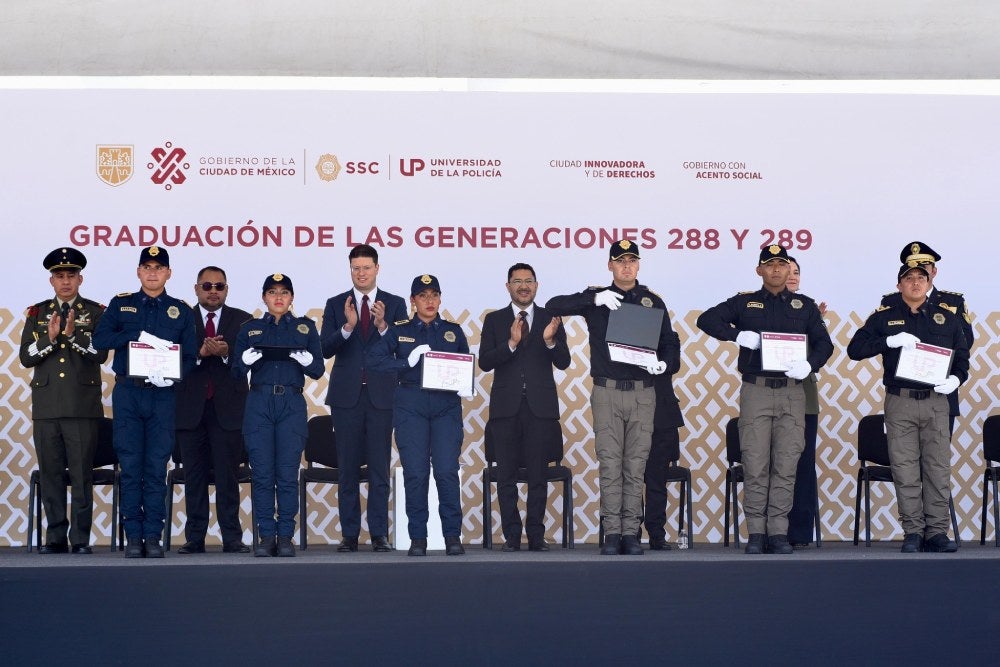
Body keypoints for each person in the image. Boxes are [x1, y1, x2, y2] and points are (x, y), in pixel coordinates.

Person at [696, 245, 833, 555]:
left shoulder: (804, 306)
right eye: (769, 265)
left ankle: (778, 533)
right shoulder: (745, 303)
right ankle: (756, 532)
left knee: (786, 465)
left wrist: (810, 364)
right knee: (756, 463)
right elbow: (706, 319)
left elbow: (825, 344)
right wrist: (736, 335)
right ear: (759, 270)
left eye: (781, 265)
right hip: (756, 391)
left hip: (792, 392)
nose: (775, 270)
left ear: (789, 270)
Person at [546, 240, 679, 556]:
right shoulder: (597, 299)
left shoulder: (652, 301)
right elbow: (553, 305)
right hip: (606, 391)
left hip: (643, 392)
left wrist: (663, 364)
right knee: (610, 463)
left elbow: (670, 345)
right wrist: (594, 297)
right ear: (610, 265)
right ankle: (612, 532)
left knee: (635, 465)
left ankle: (631, 533)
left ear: (639, 265)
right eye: (620, 261)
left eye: (632, 260)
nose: (627, 266)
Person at [848, 263, 968, 553]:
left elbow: (962, 357)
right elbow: (855, 349)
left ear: (929, 284)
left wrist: (956, 378)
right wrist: (888, 341)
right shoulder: (884, 317)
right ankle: (913, 531)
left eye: (921, 278)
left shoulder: (948, 319)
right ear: (899, 285)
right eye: (909, 278)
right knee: (905, 469)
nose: (915, 283)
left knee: (937, 468)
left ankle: (937, 532)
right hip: (900, 401)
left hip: (936, 402)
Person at [93, 246, 197, 558]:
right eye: (147, 267)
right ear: (138, 272)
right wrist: (132, 336)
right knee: (130, 465)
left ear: (169, 273)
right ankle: (133, 537)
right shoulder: (120, 304)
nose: (152, 273)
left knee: (155, 467)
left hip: (162, 395)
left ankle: (153, 536)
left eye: (159, 267)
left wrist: (173, 375)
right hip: (128, 393)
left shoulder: (181, 310)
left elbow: (190, 357)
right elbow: (99, 340)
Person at [367, 274, 471, 557]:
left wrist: (466, 385)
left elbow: (465, 363)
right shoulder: (399, 330)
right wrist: (405, 361)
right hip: (410, 404)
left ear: (440, 298)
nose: (429, 301)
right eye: (423, 296)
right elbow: (373, 360)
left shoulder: (453, 331)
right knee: (415, 473)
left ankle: (452, 536)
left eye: (434, 295)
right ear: (412, 301)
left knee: (447, 471)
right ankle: (418, 539)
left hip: (446, 406)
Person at [18, 248, 108, 554]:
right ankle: (55, 537)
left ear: (80, 278)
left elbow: (100, 353)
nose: (65, 281)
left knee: (82, 476)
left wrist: (71, 336)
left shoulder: (96, 312)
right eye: (60, 276)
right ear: (51, 280)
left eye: (71, 275)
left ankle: (80, 539)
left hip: (82, 406)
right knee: (51, 474)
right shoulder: (37, 312)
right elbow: (26, 357)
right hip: (46, 408)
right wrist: (51, 338)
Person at [320, 245, 407, 553]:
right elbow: (324, 349)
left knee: (380, 469)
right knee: (347, 469)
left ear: (377, 268)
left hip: (382, 396)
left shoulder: (395, 304)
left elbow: (404, 350)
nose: (361, 273)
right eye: (355, 268)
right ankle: (350, 535)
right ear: (350, 270)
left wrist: (383, 327)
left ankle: (380, 534)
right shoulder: (335, 304)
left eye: (366, 267)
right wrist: (348, 327)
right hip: (346, 398)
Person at [479, 263, 570, 552]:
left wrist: (551, 340)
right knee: (505, 477)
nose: (523, 286)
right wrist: (511, 343)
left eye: (528, 281)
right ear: (507, 286)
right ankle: (512, 536)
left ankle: (536, 535)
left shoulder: (549, 318)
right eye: (517, 281)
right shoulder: (494, 320)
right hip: (505, 409)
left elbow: (564, 361)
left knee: (538, 477)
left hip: (540, 409)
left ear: (536, 285)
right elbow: (485, 361)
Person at [233, 273, 324, 557]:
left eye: (284, 292)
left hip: (291, 404)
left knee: (286, 475)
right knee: (262, 475)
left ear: (292, 297)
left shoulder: (306, 328)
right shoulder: (249, 329)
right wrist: (242, 362)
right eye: (272, 292)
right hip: (259, 402)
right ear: (264, 297)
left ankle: (285, 536)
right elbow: (235, 372)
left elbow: (318, 370)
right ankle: (266, 536)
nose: (279, 297)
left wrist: (309, 362)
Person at [173, 266, 253, 554]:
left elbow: (249, 361)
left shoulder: (243, 321)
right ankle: (195, 537)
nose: (213, 291)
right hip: (190, 410)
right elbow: (172, 358)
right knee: (194, 477)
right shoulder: (180, 318)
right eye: (206, 286)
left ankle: (231, 537)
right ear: (196, 289)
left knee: (227, 477)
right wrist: (199, 353)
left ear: (226, 290)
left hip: (228, 411)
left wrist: (227, 354)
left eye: (219, 286)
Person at [880, 242, 973, 435]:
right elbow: (877, 342)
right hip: (902, 395)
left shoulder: (953, 302)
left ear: (934, 271)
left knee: (938, 460)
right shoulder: (890, 302)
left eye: (924, 267)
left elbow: (966, 341)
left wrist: (950, 374)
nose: (919, 274)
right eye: (912, 269)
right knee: (904, 459)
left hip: (942, 389)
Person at [785, 256, 827, 548]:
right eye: (786, 270)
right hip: (767, 394)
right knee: (772, 464)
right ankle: (771, 530)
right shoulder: (758, 307)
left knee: (803, 464)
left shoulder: (809, 309)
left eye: (797, 272)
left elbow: (822, 352)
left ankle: (799, 533)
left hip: (804, 398)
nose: (791, 276)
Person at [642, 332, 684, 551]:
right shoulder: (622, 332)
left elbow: (673, 364)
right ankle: (629, 533)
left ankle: (657, 534)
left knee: (657, 480)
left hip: (663, 414)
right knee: (626, 477)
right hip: (630, 412)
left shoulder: (670, 337)